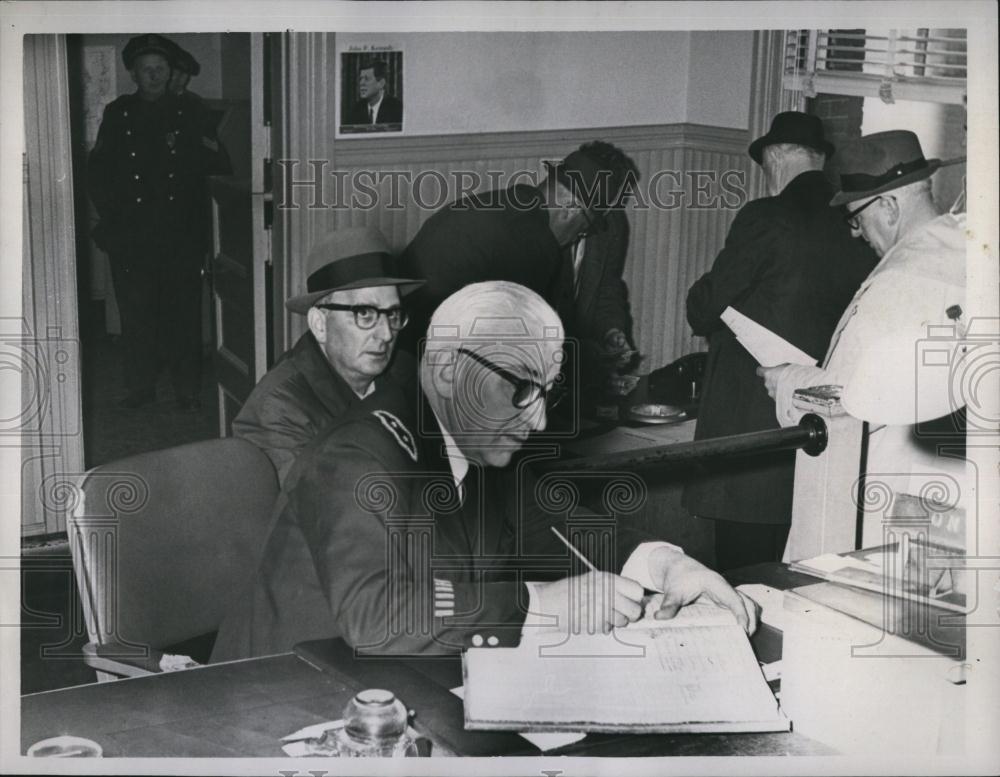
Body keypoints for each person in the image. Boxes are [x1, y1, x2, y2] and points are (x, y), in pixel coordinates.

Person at [211, 282, 755, 660]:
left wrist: (664, 566)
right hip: (287, 691)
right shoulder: (359, 453)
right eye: (518, 388)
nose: (538, 419)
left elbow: (553, 525)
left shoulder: (474, 435)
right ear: (449, 370)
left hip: (399, 678)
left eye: (546, 392)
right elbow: (376, 618)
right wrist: (540, 605)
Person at [682, 111, 876, 571]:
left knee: (743, 573)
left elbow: (705, 306)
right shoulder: (855, 218)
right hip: (826, 426)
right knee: (805, 571)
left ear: (776, 158)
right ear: (818, 159)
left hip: (752, 435)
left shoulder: (765, 215)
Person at [758, 131, 967, 535]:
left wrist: (783, 379)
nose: (856, 233)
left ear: (889, 206)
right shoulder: (963, 251)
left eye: (857, 217)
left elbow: (844, 402)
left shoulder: (899, 282)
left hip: (877, 486)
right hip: (941, 485)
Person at [399, 140, 639, 367]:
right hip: (424, 355)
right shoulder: (531, 244)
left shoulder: (513, 206)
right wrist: (589, 358)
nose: (580, 236)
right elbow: (521, 344)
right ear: (569, 211)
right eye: (584, 229)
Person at [87, 34, 231, 410]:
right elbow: (98, 170)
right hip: (131, 234)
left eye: (160, 69)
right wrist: (112, 215)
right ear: (133, 73)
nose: (153, 76)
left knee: (183, 316)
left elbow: (217, 169)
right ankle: (140, 388)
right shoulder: (118, 113)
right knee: (137, 316)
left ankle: (187, 391)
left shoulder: (193, 112)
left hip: (179, 234)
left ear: (171, 73)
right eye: (146, 69)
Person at [233, 226, 424, 486]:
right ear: (320, 324)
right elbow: (329, 511)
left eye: (392, 314)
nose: (387, 334)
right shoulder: (279, 407)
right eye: (365, 314)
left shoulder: (404, 370)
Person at [345, 60, 403, 125]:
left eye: (367, 79)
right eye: (360, 79)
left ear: (381, 83)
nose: (361, 83)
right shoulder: (355, 111)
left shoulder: (398, 110)